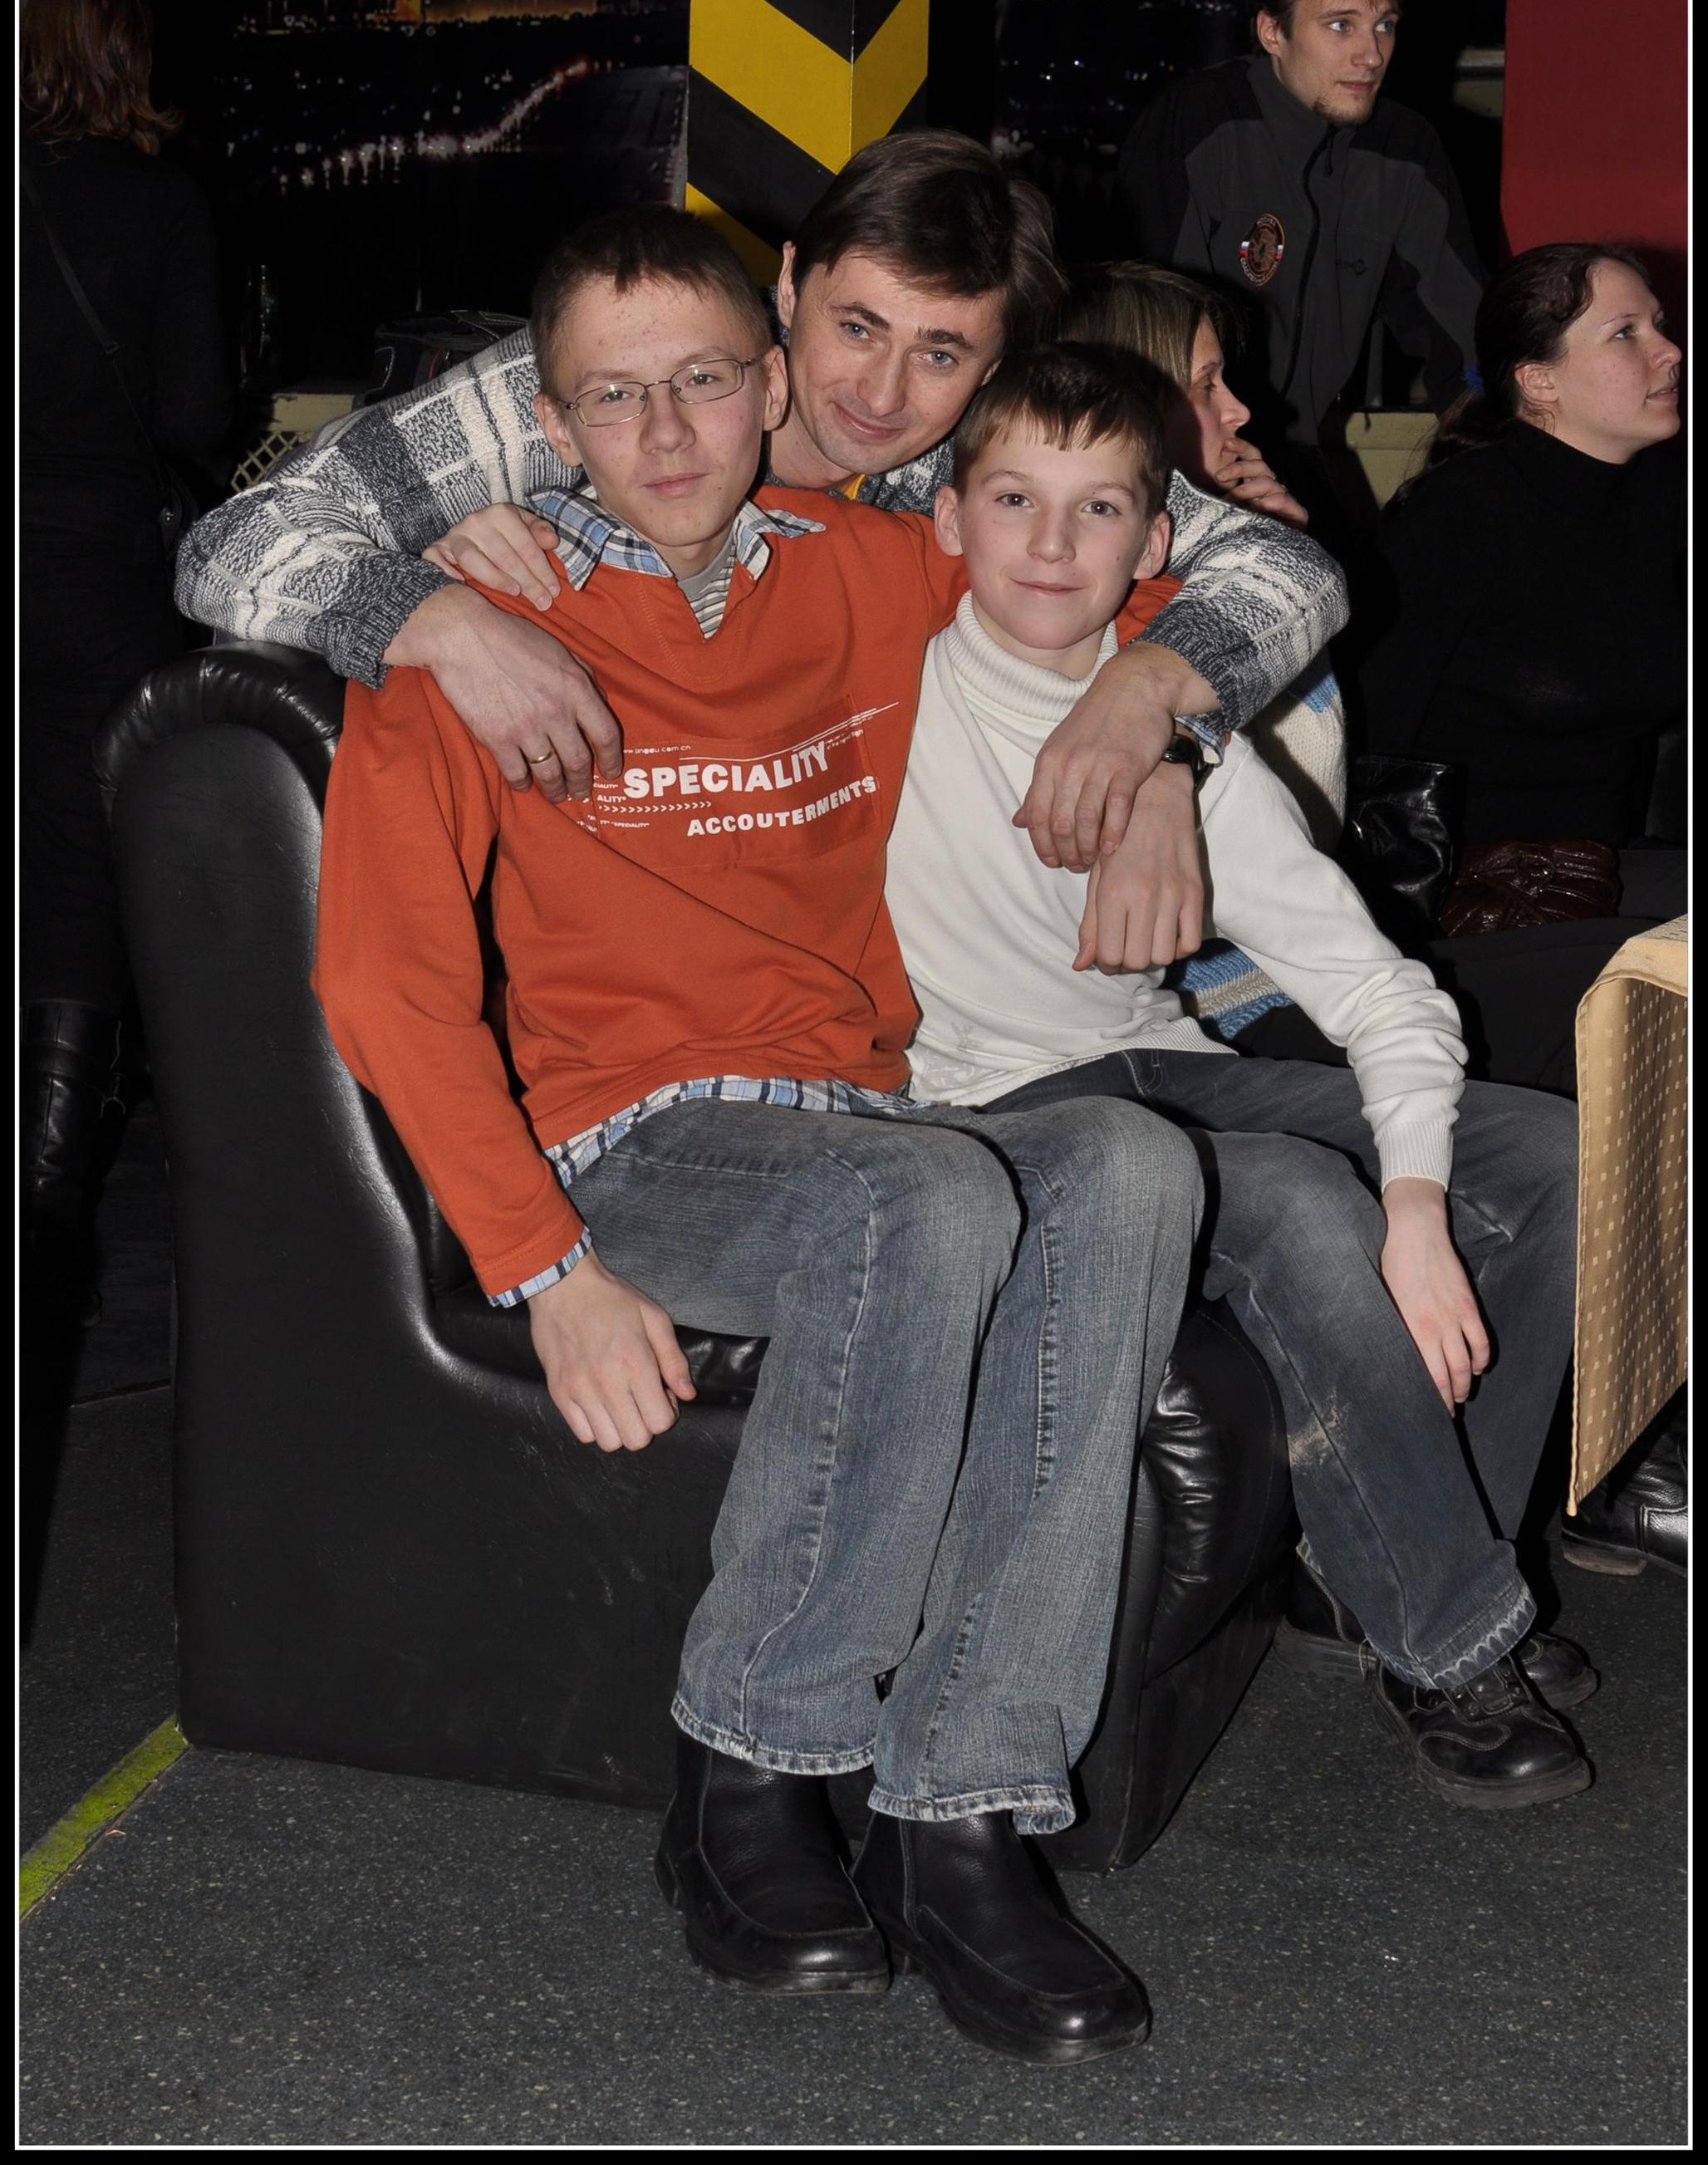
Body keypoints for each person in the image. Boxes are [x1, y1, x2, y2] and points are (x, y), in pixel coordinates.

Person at [313, 205, 1205, 2064]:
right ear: (549, 422)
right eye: (612, 397)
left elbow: (1144, 596)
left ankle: (961, 1811)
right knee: (920, 1204)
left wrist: (1160, 749)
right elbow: (386, 983)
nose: (664, 435)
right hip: (636, 1140)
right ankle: (747, 1767)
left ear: (773, 378)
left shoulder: (873, 569)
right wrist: (546, 1268)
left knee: (1126, 1166)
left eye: (706, 382)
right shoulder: (464, 635)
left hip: (866, 1116)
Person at [882, 340, 1592, 1812]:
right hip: (979, 1105)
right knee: (1289, 1198)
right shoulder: (886, 675)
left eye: (1097, 510)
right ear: (945, 516)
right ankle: (1451, 1639)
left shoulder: (1187, 748)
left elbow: (1379, 991)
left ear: (1155, 545)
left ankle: (1381, 1560)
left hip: (1156, 1060)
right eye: (1012, 499)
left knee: (1550, 1162)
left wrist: (1417, 1206)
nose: (1051, 543)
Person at [175, 129, 1349, 945]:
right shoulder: (622, 371)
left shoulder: (970, 462)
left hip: (869, 949)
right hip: (571, 943)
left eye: (941, 354)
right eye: (857, 326)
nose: (881, 395)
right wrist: (442, 620)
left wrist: (1153, 724)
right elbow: (229, 545)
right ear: (788, 285)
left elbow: (1286, 569)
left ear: (996, 368)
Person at [21, 0, 233, 1296]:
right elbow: (197, 417)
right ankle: (45, 1195)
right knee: (76, 881)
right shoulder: (160, 207)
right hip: (96, 581)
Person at [1346, 243, 1686, 1096]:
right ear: (1539, 381)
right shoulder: (1459, 516)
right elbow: (1361, 734)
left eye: (1659, 324)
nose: (1669, 350)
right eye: (1626, 333)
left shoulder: (1659, 494)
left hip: (1602, 860)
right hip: (1473, 888)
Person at [1113, 0, 1483, 564]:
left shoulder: (1405, 151)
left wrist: (1490, 454)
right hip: (1173, 451)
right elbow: (1136, 321)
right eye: (1341, 26)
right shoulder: (1199, 123)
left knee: (1363, 598)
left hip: (1299, 451)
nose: (1371, 54)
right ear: (1272, 32)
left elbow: (1464, 336)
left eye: (1385, 25)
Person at [1059, 259, 1348, 1061]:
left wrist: (1278, 570)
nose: (1239, 409)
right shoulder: (1085, 595)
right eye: (1205, 385)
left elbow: (1314, 804)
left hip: (1278, 966)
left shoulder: (1224, 561)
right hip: (1198, 1001)